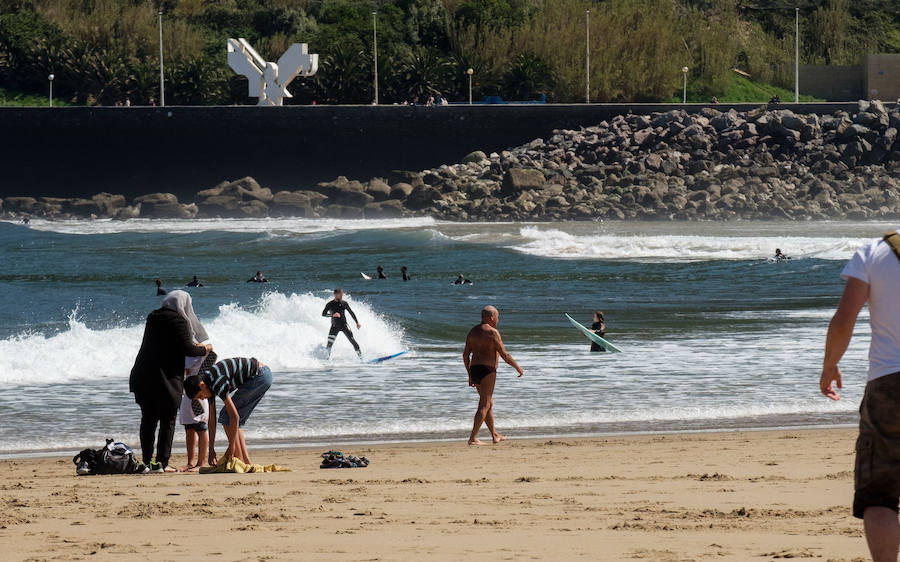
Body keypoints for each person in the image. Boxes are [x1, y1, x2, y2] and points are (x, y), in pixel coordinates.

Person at [820, 229, 900, 561]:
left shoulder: (875, 252)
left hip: (890, 383)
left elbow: (843, 321)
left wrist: (830, 366)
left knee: (879, 496)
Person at [129, 290, 212, 472]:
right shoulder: (179, 321)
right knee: (168, 420)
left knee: (148, 420)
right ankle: (161, 464)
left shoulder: (153, 317)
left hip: (142, 375)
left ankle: (146, 462)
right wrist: (204, 349)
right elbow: (188, 349)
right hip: (166, 379)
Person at [184, 357, 272, 466]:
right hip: (261, 376)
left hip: (259, 376)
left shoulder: (216, 382)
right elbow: (212, 420)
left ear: (202, 385)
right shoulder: (208, 384)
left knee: (226, 416)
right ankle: (246, 462)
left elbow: (234, 416)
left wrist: (231, 447)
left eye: (200, 396)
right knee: (231, 420)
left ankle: (238, 459)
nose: (202, 399)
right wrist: (211, 449)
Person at [463, 306, 524, 445]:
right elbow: (504, 354)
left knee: (488, 402)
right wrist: (517, 367)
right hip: (488, 369)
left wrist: (469, 374)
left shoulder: (472, 331)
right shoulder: (492, 332)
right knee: (484, 404)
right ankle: (473, 438)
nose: (498, 320)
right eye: (497, 317)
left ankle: (494, 435)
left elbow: (465, 354)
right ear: (491, 317)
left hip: (475, 368)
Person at [178, 352, 215, 472]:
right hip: (186, 391)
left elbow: (212, 353)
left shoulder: (199, 347)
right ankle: (190, 463)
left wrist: (202, 348)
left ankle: (201, 462)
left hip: (200, 389)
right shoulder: (182, 348)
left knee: (201, 427)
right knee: (189, 428)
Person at [322, 288, 362, 359]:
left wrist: (357, 322)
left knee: (353, 341)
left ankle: (362, 358)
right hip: (334, 326)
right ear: (335, 295)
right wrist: (332, 315)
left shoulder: (344, 303)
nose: (341, 296)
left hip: (344, 325)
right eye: (340, 295)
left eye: (342, 295)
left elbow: (351, 313)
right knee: (329, 345)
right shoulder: (330, 304)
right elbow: (323, 314)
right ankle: (326, 361)